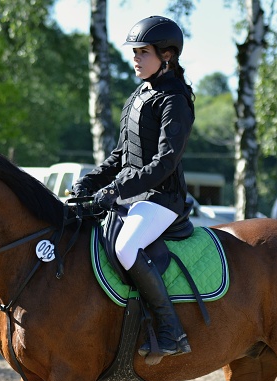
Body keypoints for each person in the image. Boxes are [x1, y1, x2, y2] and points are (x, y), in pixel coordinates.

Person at [72, 15, 195, 362]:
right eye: (135, 52)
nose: (136, 59)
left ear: (167, 56)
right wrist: (90, 181)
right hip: (132, 196)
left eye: (143, 52)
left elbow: (165, 161)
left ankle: (171, 331)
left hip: (162, 198)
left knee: (126, 247)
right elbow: (121, 156)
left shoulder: (175, 100)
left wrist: (115, 190)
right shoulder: (139, 94)